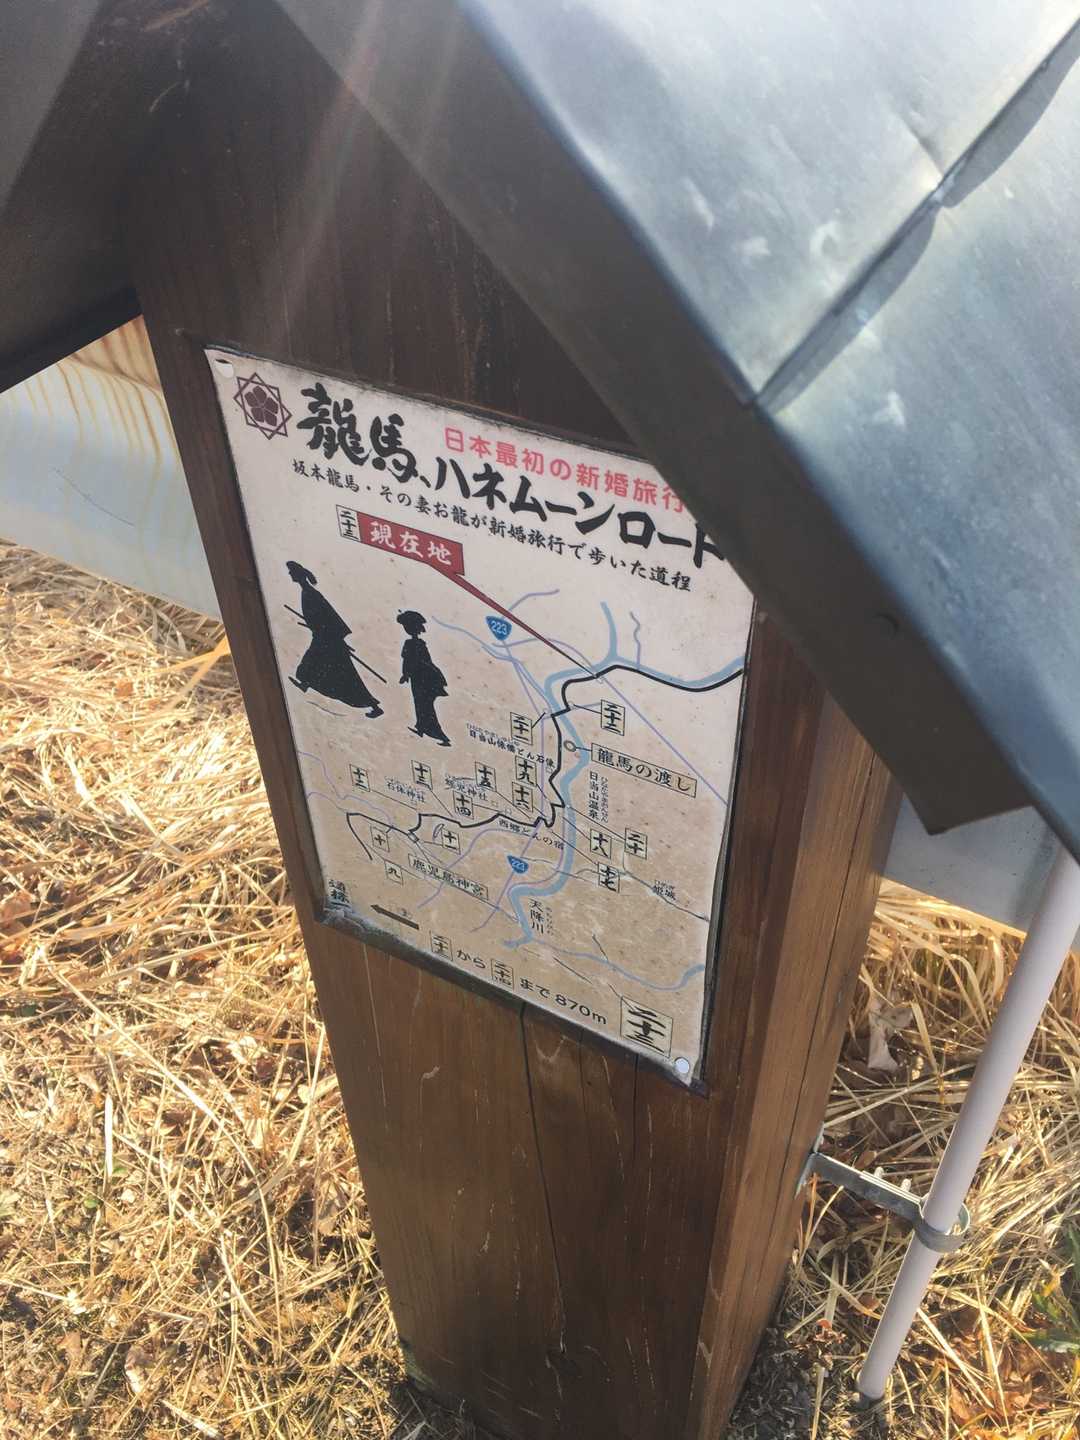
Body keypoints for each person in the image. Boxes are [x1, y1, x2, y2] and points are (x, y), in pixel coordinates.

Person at [285, 561, 382, 717]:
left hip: (326, 638)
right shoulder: (307, 592)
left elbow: (328, 615)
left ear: (298, 574)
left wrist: (329, 633)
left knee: (343, 672)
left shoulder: (311, 593)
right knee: (334, 669)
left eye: (291, 572)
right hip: (324, 636)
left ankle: (373, 706)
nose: (290, 575)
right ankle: (305, 683)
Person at [397, 610, 450, 745]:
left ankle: (439, 735)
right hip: (422, 677)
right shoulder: (419, 644)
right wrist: (406, 674)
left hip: (422, 678)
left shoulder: (412, 644)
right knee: (421, 704)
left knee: (424, 705)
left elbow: (409, 661)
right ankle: (421, 727)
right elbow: (414, 661)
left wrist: (406, 674)